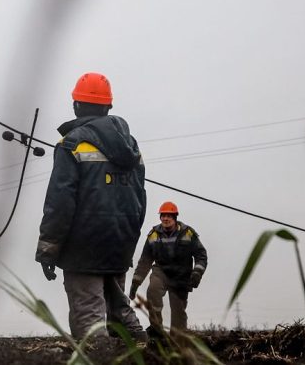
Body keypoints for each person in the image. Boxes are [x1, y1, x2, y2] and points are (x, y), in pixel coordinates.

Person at [35, 72, 148, 341]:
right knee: (120, 309)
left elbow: (59, 203)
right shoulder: (132, 148)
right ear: (108, 106)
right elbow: (140, 201)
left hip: (83, 248)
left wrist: (48, 250)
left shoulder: (70, 145)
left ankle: (98, 358)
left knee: (89, 319)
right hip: (120, 242)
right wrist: (127, 239)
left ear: (76, 105)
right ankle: (146, 353)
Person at [129, 201, 208, 332]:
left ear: (175, 218)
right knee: (153, 290)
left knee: (178, 312)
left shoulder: (188, 234)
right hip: (161, 272)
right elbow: (145, 261)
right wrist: (135, 283)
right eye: (163, 215)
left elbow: (201, 255)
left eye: (169, 216)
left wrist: (197, 273)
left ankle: (177, 340)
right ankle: (156, 330)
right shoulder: (153, 235)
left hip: (181, 276)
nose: (165, 218)